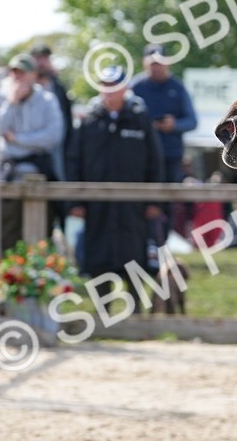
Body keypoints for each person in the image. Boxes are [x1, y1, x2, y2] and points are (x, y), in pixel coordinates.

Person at [67, 66, 164, 305]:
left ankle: (135, 311)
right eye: (105, 88)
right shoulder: (89, 120)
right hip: (97, 205)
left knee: (134, 255)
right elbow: (73, 161)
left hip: (132, 205)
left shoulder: (140, 118)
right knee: (99, 256)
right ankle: (102, 312)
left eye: (114, 88)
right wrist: (75, 201)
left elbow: (155, 160)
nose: (109, 93)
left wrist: (154, 200)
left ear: (125, 89)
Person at [130, 43, 197, 243]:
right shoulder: (135, 87)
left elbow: (192, 121)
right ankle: (139, 244)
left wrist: (173, 125)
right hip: (140, 156)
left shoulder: (178, 87)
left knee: (167, 201)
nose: (156, 67)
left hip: (170, 155)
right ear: (144, 63)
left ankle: (161, 245)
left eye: (160, 63)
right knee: (140, 200)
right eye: (152, 63)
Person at [0, 53, 66, 252]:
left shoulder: (47, 99)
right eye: (15, 73)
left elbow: (53, 136)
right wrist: (12, 103)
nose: (18, 78)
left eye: (23, 73)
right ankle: (8, 278)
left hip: (39, 170)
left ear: (34, 75)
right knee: (8, 231)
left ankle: (39, 278)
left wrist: (18, 139)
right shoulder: (1, 96)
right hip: (8, 174)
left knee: (41, 231)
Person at [30, 42, 74, 169]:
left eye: (45, 58)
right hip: (32, 148)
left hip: (56, 149)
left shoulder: (58, 87)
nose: (41, 63)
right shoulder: (25, 88)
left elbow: (67, 120)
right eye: (38, 58)